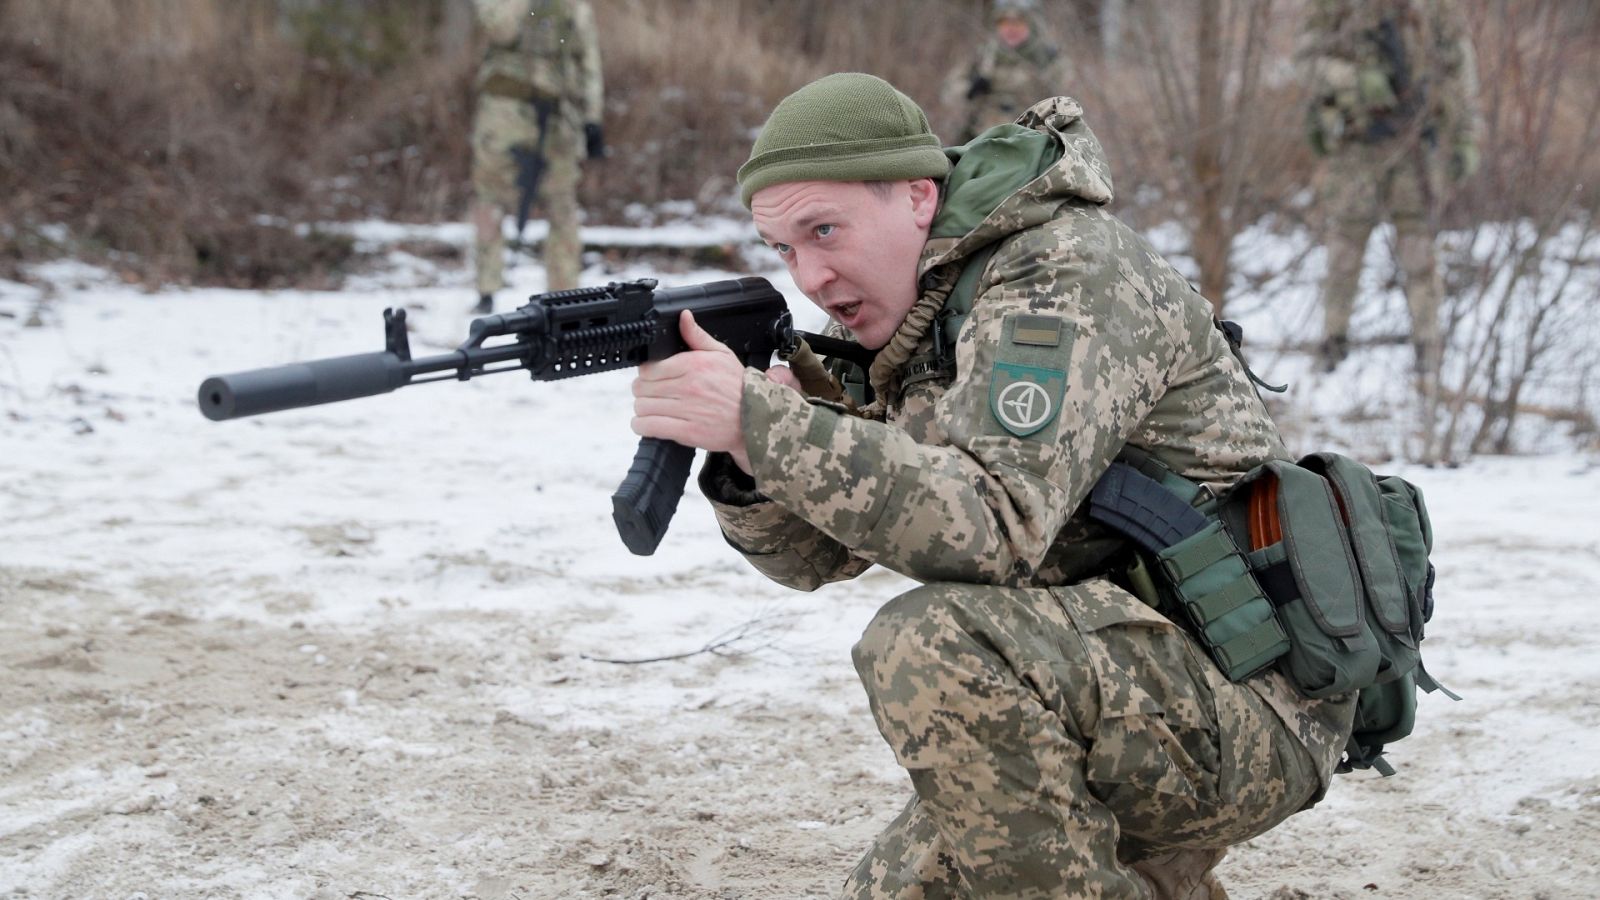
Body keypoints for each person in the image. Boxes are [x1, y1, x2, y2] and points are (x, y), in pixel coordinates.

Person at [630, 73, 1356, 898]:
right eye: (787, 250)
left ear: (915, 197)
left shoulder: (1062, 274)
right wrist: (751, 456)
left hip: (1248, 702)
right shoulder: (918, 305)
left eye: (825, 230)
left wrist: (769, 427)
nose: (812, 275)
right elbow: (814, 559)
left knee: (931, 643)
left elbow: (991, 524)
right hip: (1109, 680)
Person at [1301, 0, 1480, 374]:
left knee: (1419, 251)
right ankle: (1332, 340)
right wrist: (1354, 79)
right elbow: (1307, 61)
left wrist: (1467, 139)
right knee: (1344, 253)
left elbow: (1462, 73)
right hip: (1357, 148)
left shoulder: (1439, 11)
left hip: (1414, 148)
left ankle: (1428, 346)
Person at [469, 0, 604, 314]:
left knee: (562, 203)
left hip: (557, 114)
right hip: (503, 112)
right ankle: (486, 288)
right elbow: (498, 29)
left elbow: (588, 57)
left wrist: (593, 117)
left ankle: (564, 292)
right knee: (489, 198)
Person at [943, 0, 1070, 144]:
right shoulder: (982, 55)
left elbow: (1066, 97)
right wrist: (971, 89)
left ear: (1030, 25)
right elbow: (950, 91)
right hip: (985, 135)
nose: (1011, 30)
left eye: (1018, 24)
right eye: (1005, 24)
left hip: (1032, 135)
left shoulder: (1047, 57)